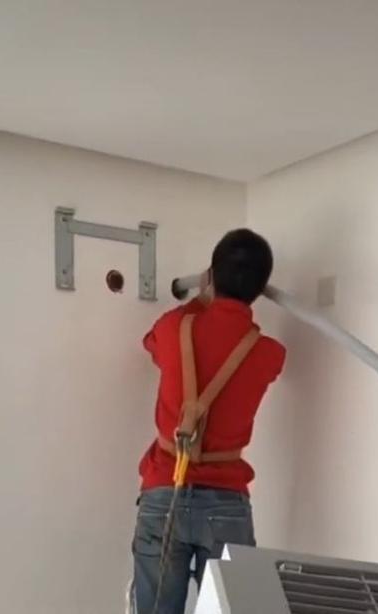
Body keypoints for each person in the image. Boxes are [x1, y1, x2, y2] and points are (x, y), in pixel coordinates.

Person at [132, 228, 286, 614]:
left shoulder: (173, 328)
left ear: (211, 276)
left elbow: (151, 342)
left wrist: (201, 298)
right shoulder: (269, 353)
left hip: (163, 493)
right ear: (259, 289)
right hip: (227, 506)